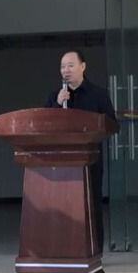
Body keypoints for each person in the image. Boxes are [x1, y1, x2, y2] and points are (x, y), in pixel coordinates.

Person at [45, 50, 116, 250]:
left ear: (83, 67)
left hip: (90, 160)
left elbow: (111, 124)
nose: (65, 70)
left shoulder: (99, 94)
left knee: (91, 205)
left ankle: (95, 249)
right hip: (62, 161)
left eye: (70, 65)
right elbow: (45, 125)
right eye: (62, 67)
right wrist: (58, 104)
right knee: (65, 206)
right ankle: (68, 248)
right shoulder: (55, 96)